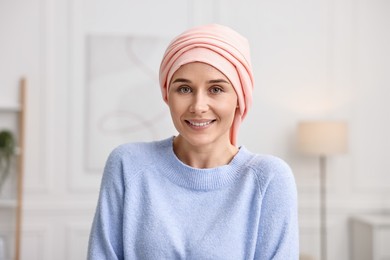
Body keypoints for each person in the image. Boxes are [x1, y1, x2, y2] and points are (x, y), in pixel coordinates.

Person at [87, 24, 299, 260]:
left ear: (239, 98)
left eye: (216, 89)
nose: (198, 106)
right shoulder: (128, 165)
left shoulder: (268, 178)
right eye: (184, 88)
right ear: (167, 95)